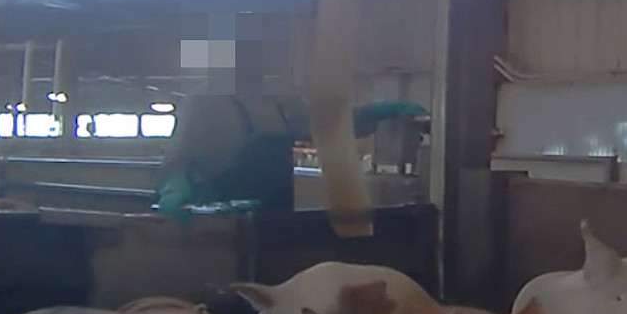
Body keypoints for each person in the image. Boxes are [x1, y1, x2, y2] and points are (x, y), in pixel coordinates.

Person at [155, 94, 426, 223]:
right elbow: (180, 151)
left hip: (277, 214)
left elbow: (324, 123)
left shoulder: (281, 102)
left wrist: (373, 112)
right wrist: (175, 185)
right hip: (220, 219)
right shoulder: (204, 104)